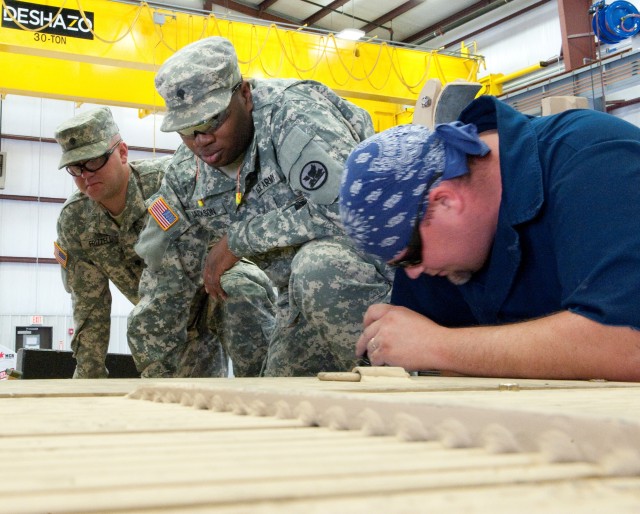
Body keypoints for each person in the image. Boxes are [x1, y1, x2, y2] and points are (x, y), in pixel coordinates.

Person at [131, 36, 392, 377]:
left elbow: (350, 208)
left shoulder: (295, 114)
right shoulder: (185, 177)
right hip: (300, 298)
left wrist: (241, 239)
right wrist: (154, 374)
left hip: (379, 276)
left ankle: (411, 379)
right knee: (281, 390)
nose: (201, 140)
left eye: (211, 120)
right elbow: (165, 272)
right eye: (186, 130)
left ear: (245, 95)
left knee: (319, 265)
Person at [339, 95, 640, 382]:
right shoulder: (428, 239)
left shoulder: (593, 159)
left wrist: (438, 346)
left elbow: (628, 343)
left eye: (411, 258)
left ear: (445, 201)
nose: (414, 272)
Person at [54, 107, 273, 378]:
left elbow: (239, 224)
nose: (85, 174)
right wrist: (88, 377)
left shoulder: (169, 181)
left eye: (95, 161)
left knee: (243, 290)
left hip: (213, 289)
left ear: (122, 152)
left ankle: (265, 391)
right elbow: (89, 306)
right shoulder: (76, 220)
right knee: (184, 401)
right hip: (166, 318)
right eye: (75, 167)